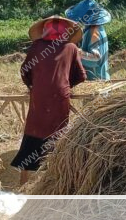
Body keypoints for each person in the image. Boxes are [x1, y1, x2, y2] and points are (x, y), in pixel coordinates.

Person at [11, 16, 86, 185]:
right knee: (58, 134)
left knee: (34, 131)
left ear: (45, 30)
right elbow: (81, 75)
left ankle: (24, 181)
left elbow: (25, 71)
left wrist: (33, 85)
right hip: (60, 97)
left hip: (39, 96)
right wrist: (66, 84)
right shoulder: (71, 48)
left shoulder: (37, 46)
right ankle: (55, 179)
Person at [65, 0, 111, 80]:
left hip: (97, 79)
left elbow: (96, 58)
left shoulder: (94, 32)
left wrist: (76, 52)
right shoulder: (95, 28)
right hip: (99, 78)